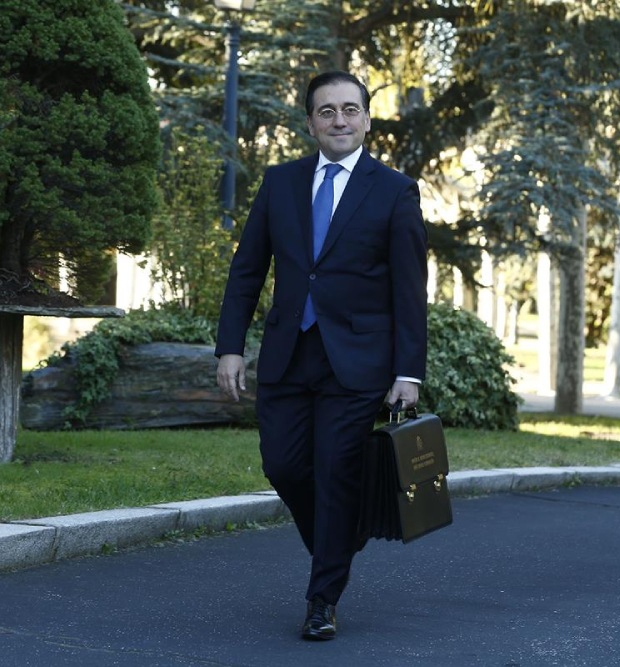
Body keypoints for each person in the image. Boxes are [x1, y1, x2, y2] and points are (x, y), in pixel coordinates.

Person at [215, 71, 428, 641]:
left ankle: (322, 599)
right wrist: (230, 347)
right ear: (310, 122)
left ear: (366, 119)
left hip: (357, 362)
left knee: (336, 472)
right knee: (283, 465)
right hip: (287, 354)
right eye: (327, 111)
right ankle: (344, 535)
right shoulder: (280, 182)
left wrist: (408, 372)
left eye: (350, 109)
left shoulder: (395, 191)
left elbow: (410, 289)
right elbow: (246, 271)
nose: (339, 120)